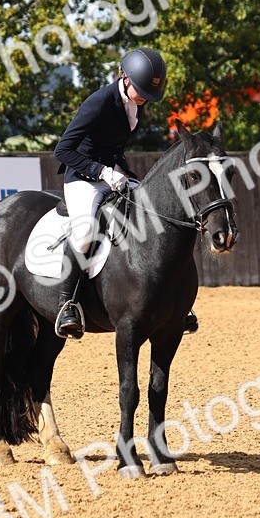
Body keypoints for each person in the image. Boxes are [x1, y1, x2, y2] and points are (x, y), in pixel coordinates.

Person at [52, 47, 199, 339]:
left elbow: (114, 144)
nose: (144, 98)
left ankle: (172, 303)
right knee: (85, 232)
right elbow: (63, 150)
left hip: (114, 174)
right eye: (141, 91)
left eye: (148, 94)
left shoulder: (137, 100)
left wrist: (121, 172)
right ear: (125, 78)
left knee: (152, 213)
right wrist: (101, 172)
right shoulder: (98, 103)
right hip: (82, 177)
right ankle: (67, 303)